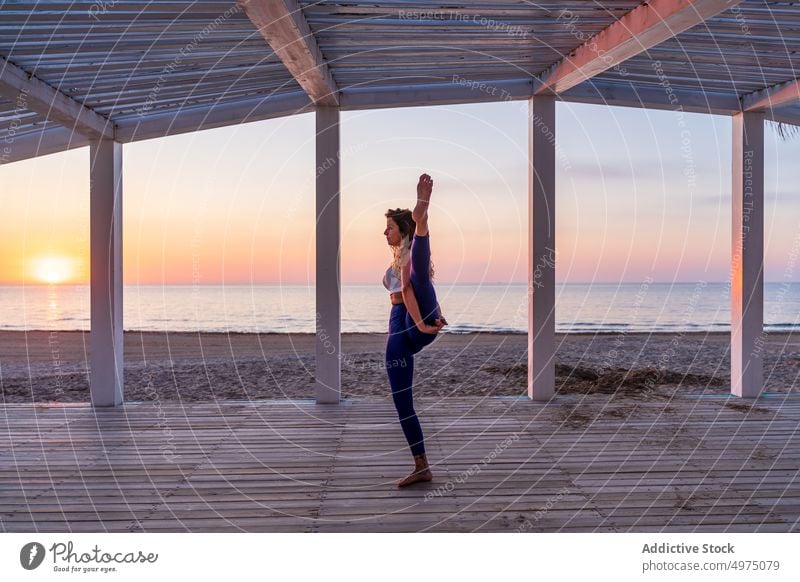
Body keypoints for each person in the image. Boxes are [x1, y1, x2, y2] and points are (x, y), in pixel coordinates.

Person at [383, 173, 448, 487]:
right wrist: (433, 316)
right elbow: (412, 292)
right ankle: (421, 465)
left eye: (390, 227)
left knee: (418, 276)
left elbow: (410, 291)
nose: (385, 232)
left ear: (402, 229)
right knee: (401, 400)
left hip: (413, 320)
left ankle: (422, 220)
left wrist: (425, 322)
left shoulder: (407, 258)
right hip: (400, 328)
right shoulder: (397, 261)